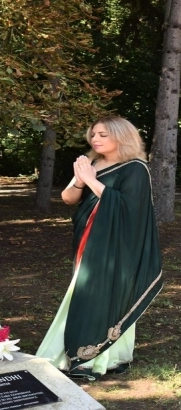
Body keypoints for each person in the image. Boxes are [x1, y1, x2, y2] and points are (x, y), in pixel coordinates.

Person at [36, 116, 163, 380]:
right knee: (84, 291)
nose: (95, 139)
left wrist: (91, 180)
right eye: (93, 134)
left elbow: (130, 209)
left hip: (117, 243)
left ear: (122, 136)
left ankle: (103, 357)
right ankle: (78, 352)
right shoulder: (91, 163)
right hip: (88, 239)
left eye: (103, 134)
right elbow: (69, 198)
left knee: (109, 292)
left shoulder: (135, 168)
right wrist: (81, 179)